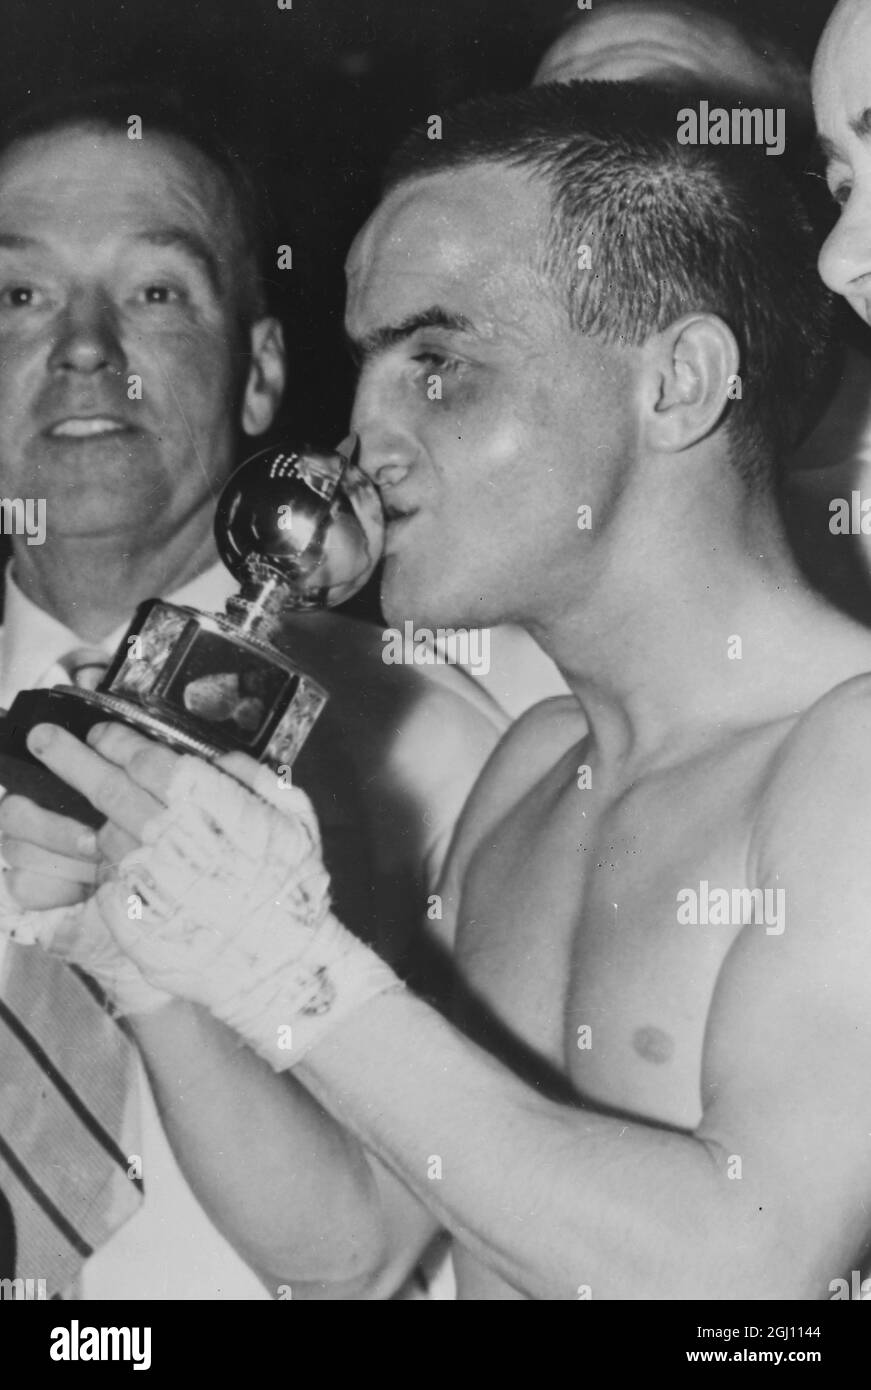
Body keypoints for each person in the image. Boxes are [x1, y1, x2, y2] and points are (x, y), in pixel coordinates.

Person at [11, 78, 871, 1301]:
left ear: (677, 383)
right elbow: (360, 1244)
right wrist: (155, 958)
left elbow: (744, 1265)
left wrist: (291, 966)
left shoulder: (853, 753)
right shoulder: (535, 763)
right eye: (367, 364)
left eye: (439, 361)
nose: (363, 437)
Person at [0, 86, 502, 1300]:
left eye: (156, 292)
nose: (81, 346)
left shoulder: (438, 752)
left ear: (262, 374)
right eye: (17, 293)